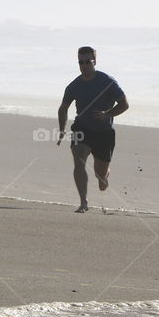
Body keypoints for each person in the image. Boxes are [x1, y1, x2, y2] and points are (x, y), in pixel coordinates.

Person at [57, 46, 129, 213]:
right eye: (81, 62)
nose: (84, 65)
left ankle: (103, 178)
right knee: (79, 160)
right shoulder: (74, 85)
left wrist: (107, 114)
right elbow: (63, 107)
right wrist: (62, 129)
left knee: (100, 176)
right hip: (82, 128)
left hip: (104, 132)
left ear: (94, 62)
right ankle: (83, 202)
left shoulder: (107, 82)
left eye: (87, 62)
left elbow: (124, 104)